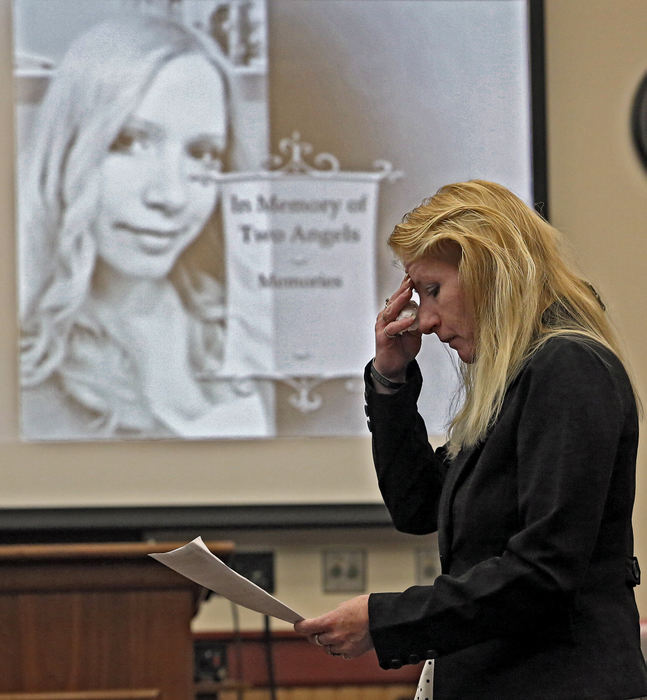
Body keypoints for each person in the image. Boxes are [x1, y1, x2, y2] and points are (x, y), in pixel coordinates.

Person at [294, 180, 647, 699]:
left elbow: (543, 572)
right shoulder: (515, 382)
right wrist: (390, 383)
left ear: (490, 270)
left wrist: (384, 620)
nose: (427, 321)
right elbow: (417, 506)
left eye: (433, 290)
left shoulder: (567, 367)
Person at [18, 14, 273, 439]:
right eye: (129, 142)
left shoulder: (242, 322)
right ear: (68, 151)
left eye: (202, 153)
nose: (170, 196)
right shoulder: (29, 373)